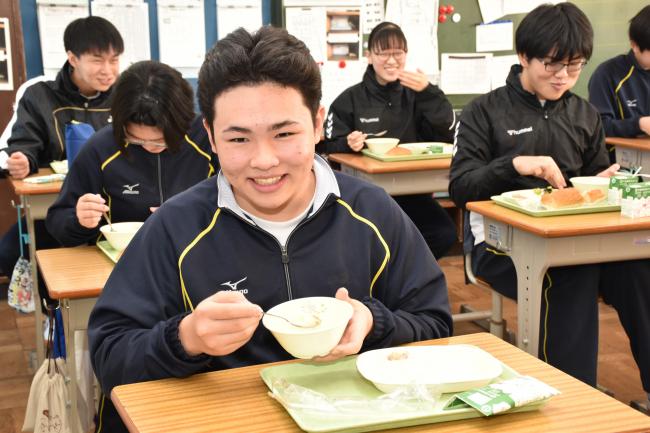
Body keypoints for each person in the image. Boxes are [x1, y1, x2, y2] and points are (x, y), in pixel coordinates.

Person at [88, 25, 453, 432]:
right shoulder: (175, 227)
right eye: (239, 139)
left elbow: (435, 324)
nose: (264, 160)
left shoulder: (371, 212)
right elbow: (109, 355)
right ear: (210, 136)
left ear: (317, 124)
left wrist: (375, 322)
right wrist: (184, 339)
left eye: (284, 134)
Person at [450, 2, 650, 415]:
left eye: (574, 67)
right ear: (524, 57)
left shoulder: (583, 113)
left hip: (575, 240)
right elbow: (461, 186)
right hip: (498, 245)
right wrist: (514, 165)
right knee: (568, 277)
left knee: (639, 269)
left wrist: (607, 182)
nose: (563, 77)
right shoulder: (483, 111)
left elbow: (593, 180)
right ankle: (569, 404)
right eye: (552, 65)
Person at [0, 16, 123, 290]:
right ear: (72, 58)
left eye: (114, 60)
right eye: (97, 60)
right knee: (9, 252)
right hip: (58, 203)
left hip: (115, 203)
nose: (108, 70)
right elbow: (24, 143)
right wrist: (22, 159)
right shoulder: (40, 95)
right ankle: (53, 311)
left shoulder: (126, 96)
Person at [319, 22, 458, 259]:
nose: (392, 60)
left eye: (398, 53)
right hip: (366, 195)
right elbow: (325, 145)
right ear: (370, 56)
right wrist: (348, 144)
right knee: (376, 238)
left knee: (444, 233)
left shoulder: (419, 94)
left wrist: (429, 93)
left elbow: (447, 132)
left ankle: (405, 273)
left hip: (414, 192)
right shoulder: (349, 99)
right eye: (383, 53)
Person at [46, 61, 216, 247]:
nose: (150, 147)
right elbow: (57, 222)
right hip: (120, 262)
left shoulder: (208, 139)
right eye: (136, 140)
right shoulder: (101, 148)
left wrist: (198, 216)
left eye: (161, 140)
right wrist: (79, 220)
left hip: (198, 252)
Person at [588, 5, 650, 149]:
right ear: (634, 45)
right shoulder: (607, 74)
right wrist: (639, 124)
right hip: (624, 164)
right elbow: (597, 127)